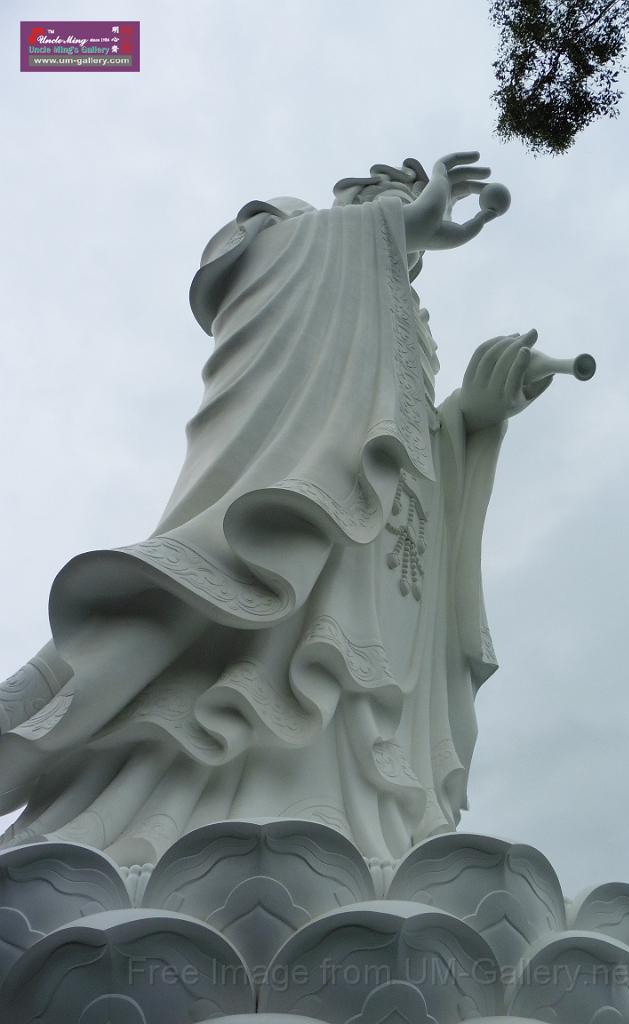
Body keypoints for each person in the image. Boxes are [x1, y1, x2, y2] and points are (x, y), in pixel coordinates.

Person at [0, 152, 553, 869]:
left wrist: (472, 417)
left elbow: (406, 447)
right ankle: (178, 829)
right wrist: (383, 226)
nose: (402, 223)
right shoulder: (295, 228)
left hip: (379, 554)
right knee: (270, 631)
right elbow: (233, 276)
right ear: (353, 200)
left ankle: (371, 841)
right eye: (385, 198)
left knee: (356, 679)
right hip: (302, 506)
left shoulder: (402, 316)